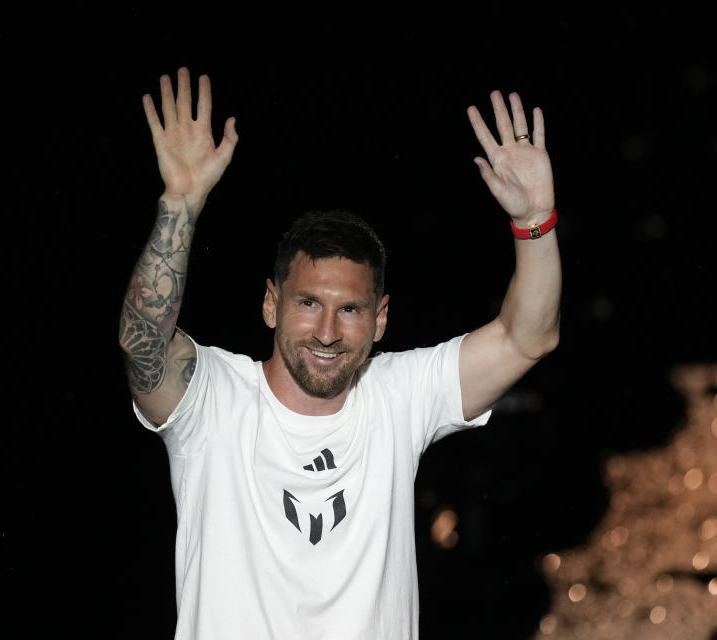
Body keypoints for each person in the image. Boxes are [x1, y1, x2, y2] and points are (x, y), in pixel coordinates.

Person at [118, 67, 560, 640]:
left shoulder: (398, 396)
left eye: (350, 310)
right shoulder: (213, 401)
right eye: (308, 303)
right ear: (271, 304)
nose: (327, 331)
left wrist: (534, 221)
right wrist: (180, 201)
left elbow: (528, 338)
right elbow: (143, 341)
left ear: (379, 320)